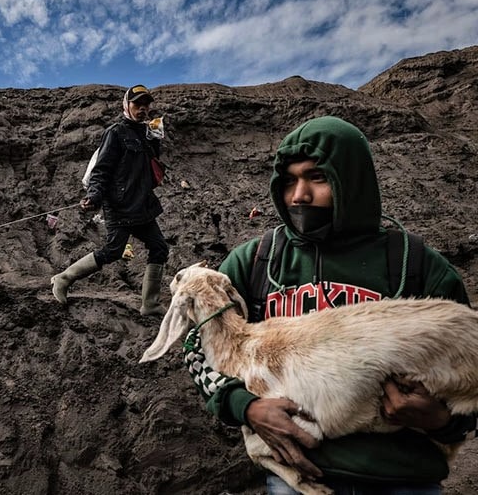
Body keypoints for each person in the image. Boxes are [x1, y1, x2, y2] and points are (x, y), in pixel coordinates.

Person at [188, 116, 475, 494]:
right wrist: (246, 407)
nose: (299, 196)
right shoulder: (254, 262)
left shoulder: (414, 263)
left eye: (317, 178)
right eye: (289, 180)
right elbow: (198, 347)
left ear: (352, 180)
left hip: (405, 481)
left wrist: (440, 421)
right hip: (298, 482)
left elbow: (470, 374)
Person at [51, 84, 169, 316]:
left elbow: (151, 166)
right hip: (120, 206)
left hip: (143, 205)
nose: (143, 109)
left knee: (159, 248)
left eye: (146, 106)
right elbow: (101, 169)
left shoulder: (147, 134)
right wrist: (94, 195)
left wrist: (155, 140)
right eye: (137, 104)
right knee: (114, 250)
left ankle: (150, 304)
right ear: (126, 105)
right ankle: (63, 279)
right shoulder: (115, 133)